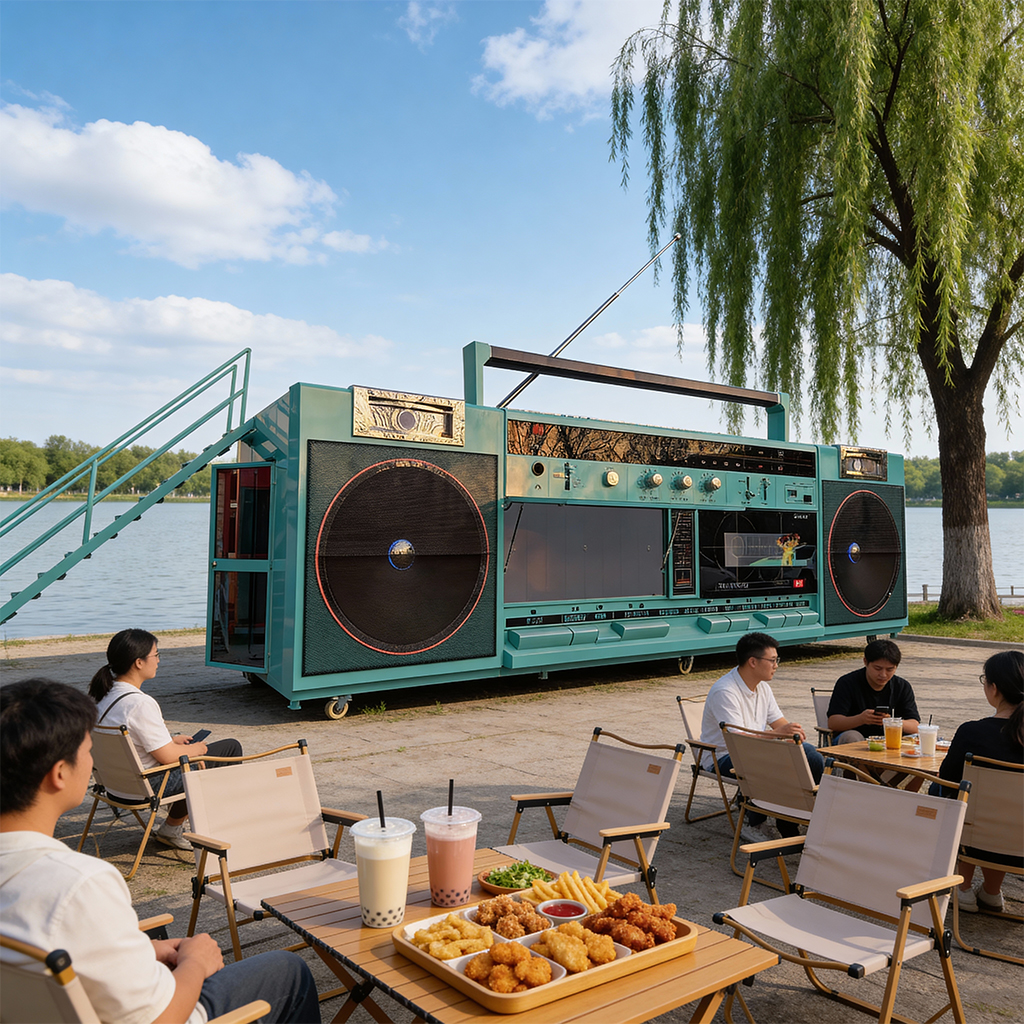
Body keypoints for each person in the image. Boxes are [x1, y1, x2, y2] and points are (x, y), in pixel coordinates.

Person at [0, 678, 321, 1024]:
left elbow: (46, 942)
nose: (91, 761)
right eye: (88, 751)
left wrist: (142, 950)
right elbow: (162, 1018)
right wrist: (196, 962)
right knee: (288, 970)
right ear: (59, 773)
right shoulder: (80, 884)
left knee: (158, 939)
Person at [89, 629, 242, 850]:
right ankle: (176, 827)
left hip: (114, 786)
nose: (159, 660)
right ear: (139, 662)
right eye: (156, 654)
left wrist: (171, 740)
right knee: (228, 749)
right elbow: (168, 757)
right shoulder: (140, 703)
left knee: (189, 756)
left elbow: (135, 743)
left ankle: (178, 823)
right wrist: (198, 749)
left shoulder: (103, 697)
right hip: (147, 787)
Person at [699, 631, 825, 840]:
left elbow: (779, 723)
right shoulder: (726, 691)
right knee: (775, 762)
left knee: (809, 754)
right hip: (722, 756)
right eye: (773, 660)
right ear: (753, 662)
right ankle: (754, 822)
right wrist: (778, 734)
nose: (776, 665)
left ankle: (801, 817)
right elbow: (739, 741)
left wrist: (793, 734)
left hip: (756, 750)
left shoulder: (763, 688)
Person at [938, 650, 1023, 913]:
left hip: (977, 835)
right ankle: (991, 892)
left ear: (994, 688)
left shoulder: (972, 732)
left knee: (959, 797)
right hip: (1019, 838)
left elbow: (947, 779)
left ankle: (963, 889)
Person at [826, 639, 920, 744]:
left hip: (890, 739)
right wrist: (861, 719)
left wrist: (892, 722)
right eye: (878, 668)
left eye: (889, 670)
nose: (883, 675)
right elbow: (833, 722)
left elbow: (915, 726)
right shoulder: (847, 683)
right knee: (851, 737)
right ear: (865, 662)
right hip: (855, 737)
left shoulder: (902, 686)